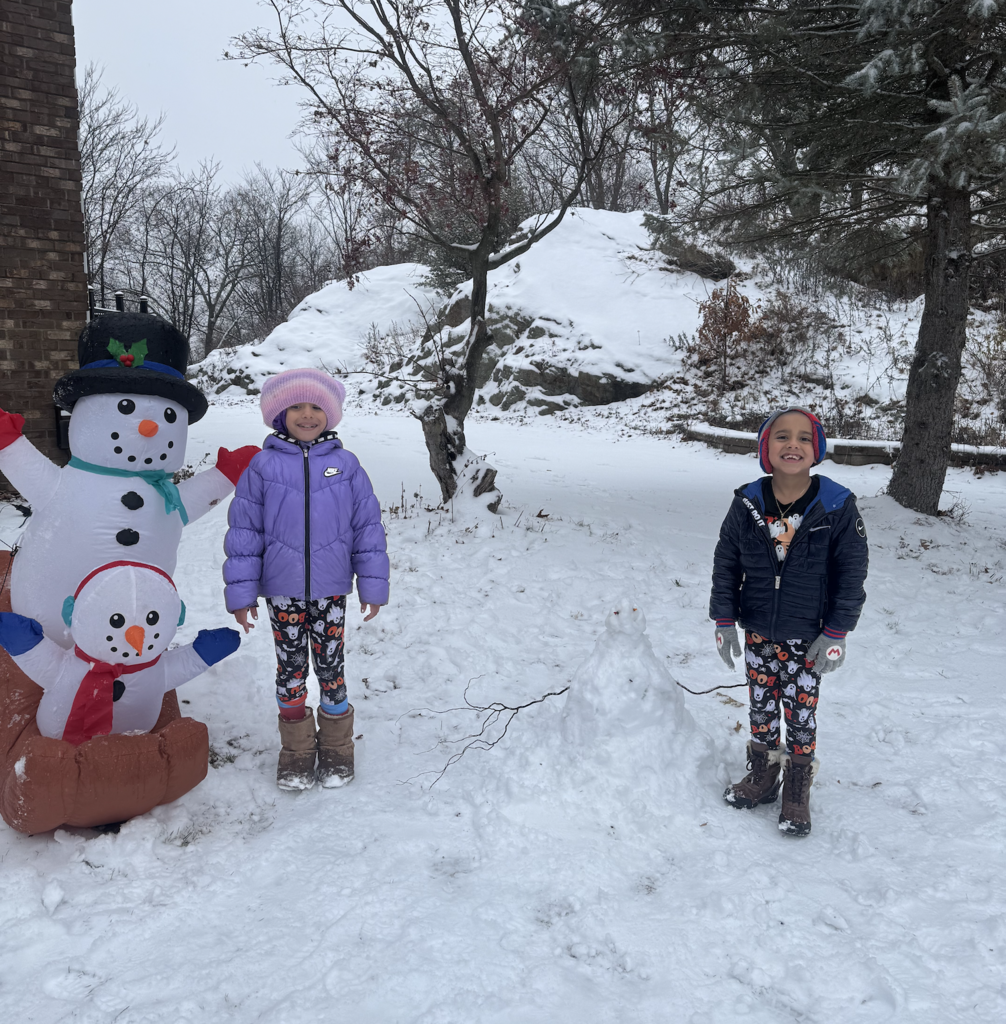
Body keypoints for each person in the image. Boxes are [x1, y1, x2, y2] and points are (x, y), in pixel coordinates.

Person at [223, 368, 389, 791]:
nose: (307, 414)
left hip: (332, 589)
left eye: (316, 407)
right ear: (279, 414)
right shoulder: (262, 468)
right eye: (296, 406)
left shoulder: (347, 466)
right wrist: (242, 593)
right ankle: (296, 752)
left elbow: (368, 529)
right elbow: (245, 534)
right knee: (291, 670)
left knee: (332, 668)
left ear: (330, 414)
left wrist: (371, 585)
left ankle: (336, 749)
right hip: (283, 592)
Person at [709, 407, 868, 836]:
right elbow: (726, 562)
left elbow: (851, 575)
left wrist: (837, 632)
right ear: (766, 448)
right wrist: (725, 619)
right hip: (759, 628)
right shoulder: (747, 502)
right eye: (781, 437)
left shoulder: (836, 505)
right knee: (761, 705)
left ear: (816, 449)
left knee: (801, 713)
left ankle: (797, 785)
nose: (792, 445)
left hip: (808, 635)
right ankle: (763, 773)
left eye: (803, 437)